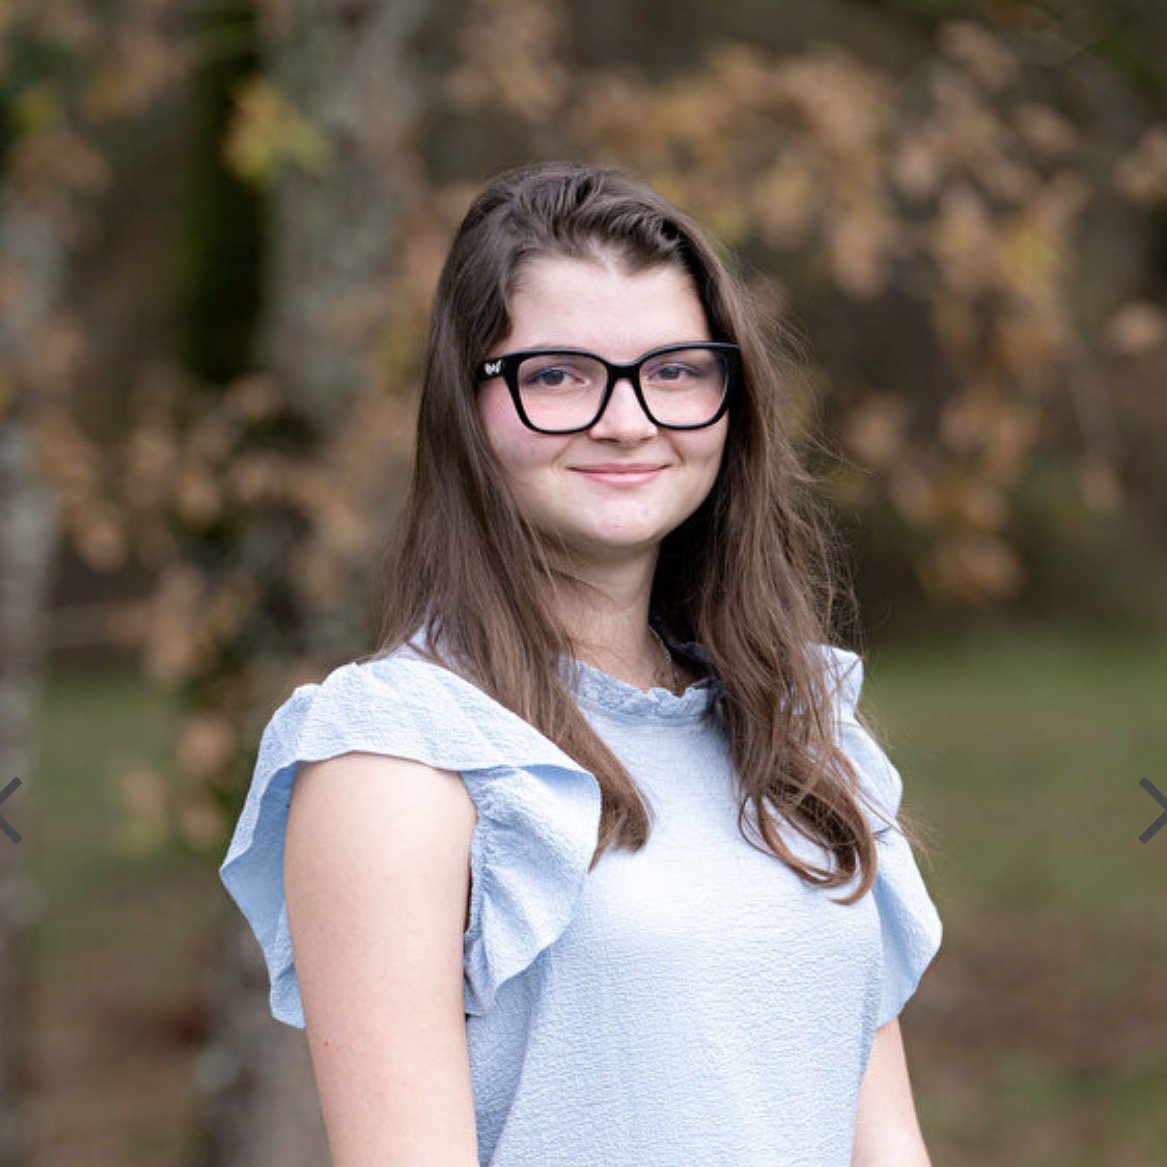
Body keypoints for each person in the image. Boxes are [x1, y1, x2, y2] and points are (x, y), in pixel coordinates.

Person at [219, 160, 943, 1167]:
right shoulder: (396, 758)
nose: (628, 421)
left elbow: (886, 1141)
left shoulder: (801, 730)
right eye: (557, 375)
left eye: (675, 370)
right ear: (466, 404)